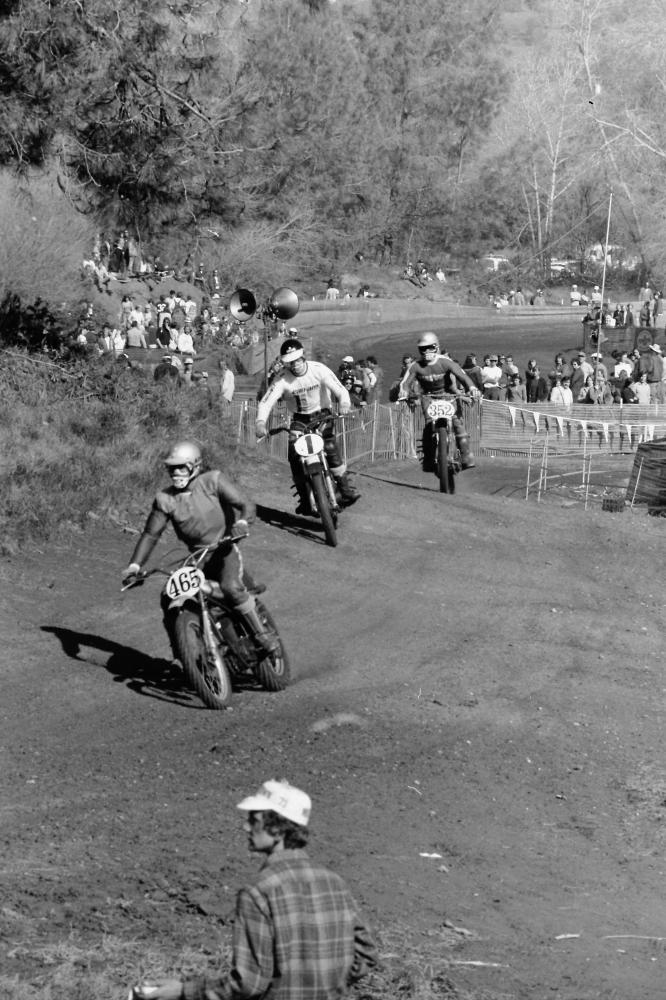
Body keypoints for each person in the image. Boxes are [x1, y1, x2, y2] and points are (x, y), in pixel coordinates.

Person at [131, 779, 378, 1000]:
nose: (246, 828)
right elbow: (366, 953)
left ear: (279, 829)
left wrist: (184, 991)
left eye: (254, 820)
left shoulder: (258, 892)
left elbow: (249, 983)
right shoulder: (334, 882)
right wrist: (325, 986)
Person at [121, 441, 277, 656]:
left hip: (224, 549)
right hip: (198, 557)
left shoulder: (212, 481)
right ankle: (182, 650)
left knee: (231, 588)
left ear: (194, 465)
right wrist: (134, 566)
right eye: (172, 468)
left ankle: (262, 635)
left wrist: (242, 523)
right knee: (168, 597)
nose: (176, 472)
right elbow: (150, 534)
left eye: (181, 467)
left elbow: (246, 504)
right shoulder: (165, 499)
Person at [255, 338, 360, 513]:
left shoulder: (319, 369)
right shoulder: (281, 379)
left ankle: (345, 489)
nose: (294, 365)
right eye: (289, 362)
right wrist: (260, 422)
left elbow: (339, 388)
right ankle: (305, 499)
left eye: (297, 360)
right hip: (299, 420)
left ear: (303, 357)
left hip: (323, 415)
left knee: (330, 446)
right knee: (294, 456)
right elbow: (266, 402)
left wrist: (344, 402)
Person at [398, 332, 480, 469]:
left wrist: (472, 387)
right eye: (423, 348)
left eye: (430, 347)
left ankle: (466, 455)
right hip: (428, 397)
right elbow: (405, 382)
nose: (427, 351)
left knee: (456, 422)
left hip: (447, 396)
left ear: (436, 347)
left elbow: (462, 375)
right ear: (419, 350)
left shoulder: (445, 362)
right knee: (429, 425)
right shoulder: (416, 366)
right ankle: (428, 458)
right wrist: (404, 390)